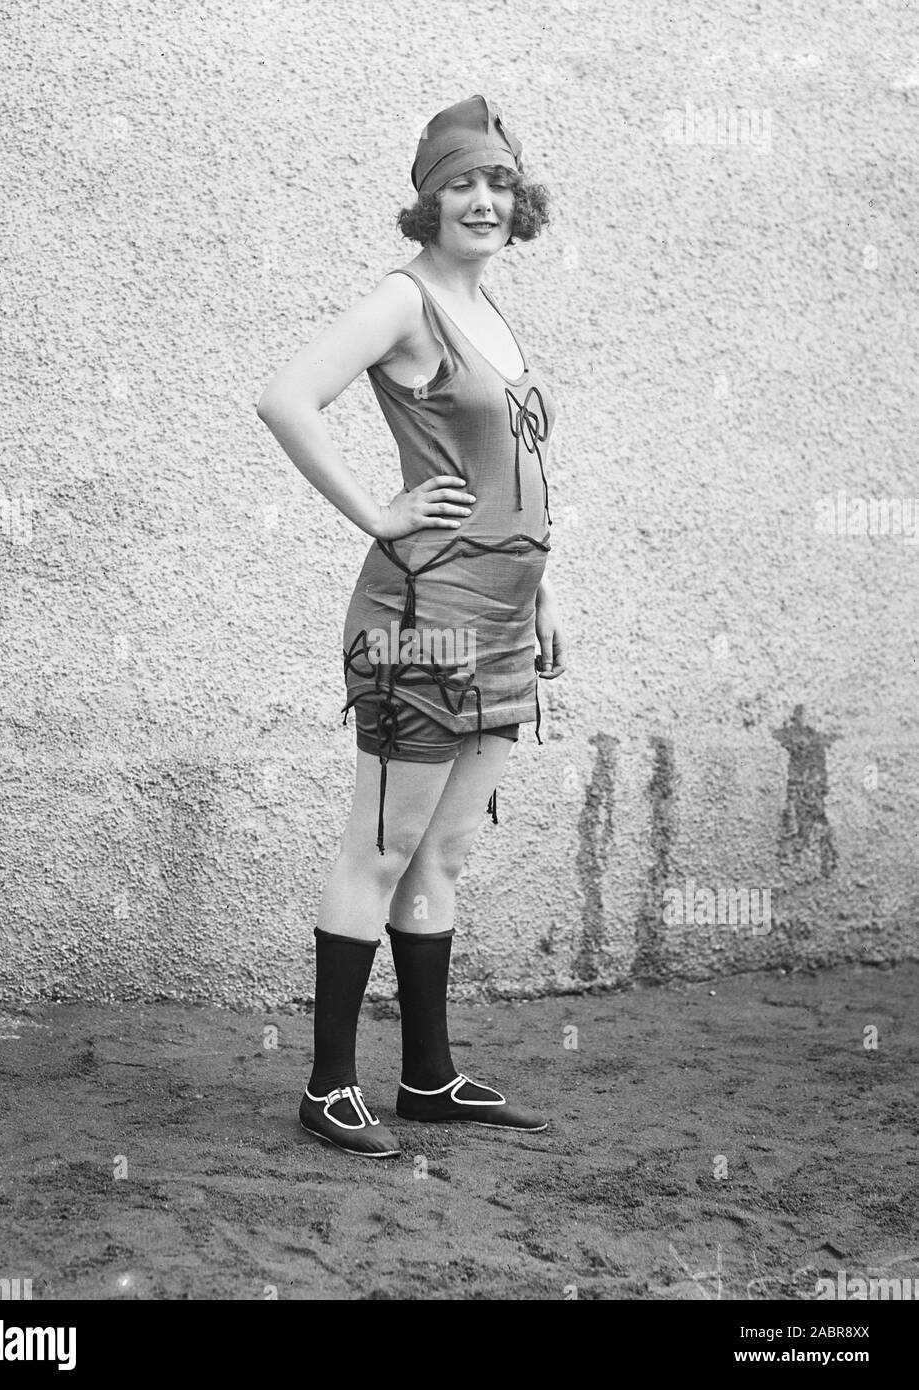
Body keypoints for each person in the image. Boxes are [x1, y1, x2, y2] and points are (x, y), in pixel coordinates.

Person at [257, 95, 567, 1157]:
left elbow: (508, 473)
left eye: (497, 183)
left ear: (518, 201)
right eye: (459, 184)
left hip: (501, 622)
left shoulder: (487, 308)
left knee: (441, 855)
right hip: (422, 623)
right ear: (426, 202)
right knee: (383, 847)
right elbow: (286, 396)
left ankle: (428, 1078)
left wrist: (544, 594)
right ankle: (328, 1086)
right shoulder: (406, 302)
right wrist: (378, 512)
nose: (481, 200)